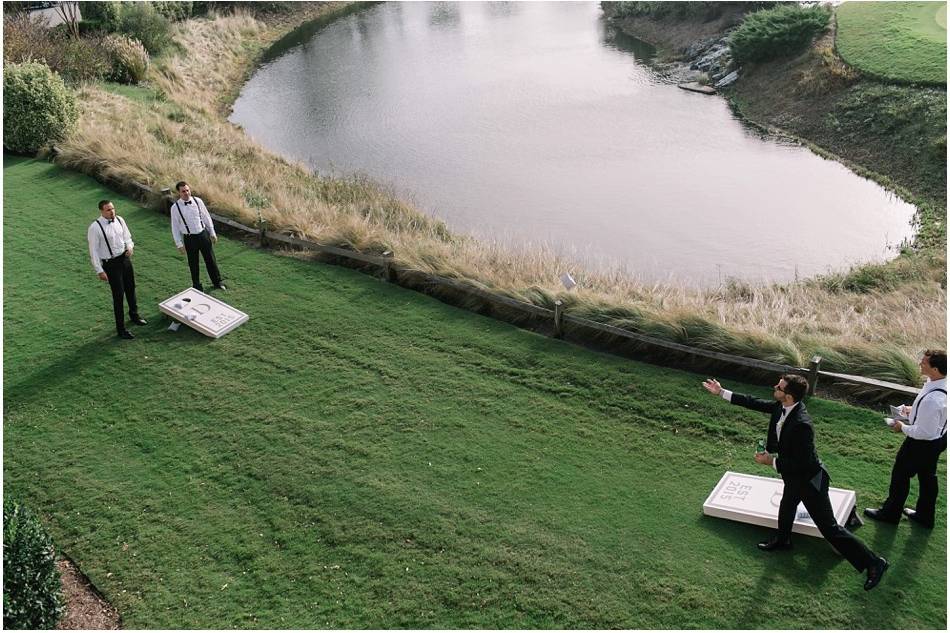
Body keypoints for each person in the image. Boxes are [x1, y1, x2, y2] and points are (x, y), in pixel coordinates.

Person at [702, 374, 888, 591]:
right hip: (793, 477)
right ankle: (783, 540)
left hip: (809, 481)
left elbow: (803, 463)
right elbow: (753, 402)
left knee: (830, 529)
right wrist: (721, 392)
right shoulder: (782, 406)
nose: (774, 387)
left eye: (779, 387)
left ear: (788, 396)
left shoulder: (802, 425)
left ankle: (874, 563)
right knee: (787, 504)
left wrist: (771, 461)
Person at [865, 350, 947, 529]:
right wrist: (914, 411)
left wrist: (901, 426)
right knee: (928, 478)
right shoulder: (939, 383)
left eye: (924, 362)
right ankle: (925, 517)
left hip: (923, 443)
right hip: (939, 439)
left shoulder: (933, 400)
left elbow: (923, 432)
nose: (920, 364)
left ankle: (890, 514)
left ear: (935, 369)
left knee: (901, 475)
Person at [87, 200, 148, 340]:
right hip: (111, 264)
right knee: (118, 295)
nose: (112, 211)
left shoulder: (120, 220)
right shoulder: (95, 228)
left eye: (113, 208)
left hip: (125, 260)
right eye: (108, 210)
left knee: (131, 289)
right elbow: (93, 251)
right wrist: (99, 270)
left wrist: (130, 247)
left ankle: (134, 316)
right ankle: (121, 329)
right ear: (101, 211)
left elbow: (127, 237)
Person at [170, 181, 226, 291]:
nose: (186, 193)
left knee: (210, 260)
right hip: (189, 238)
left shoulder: (197, 201)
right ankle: (197, 286)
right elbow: (175, 227)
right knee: (193, 263)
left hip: (203, 234)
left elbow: (206, 217)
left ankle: (217, 282)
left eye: (187, 190)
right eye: (183, 191)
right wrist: (179, 244)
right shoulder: (175, 208)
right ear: (179, 193)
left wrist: (212, 232)